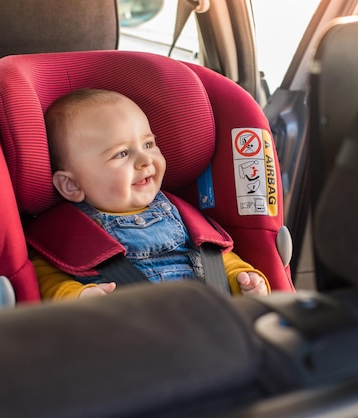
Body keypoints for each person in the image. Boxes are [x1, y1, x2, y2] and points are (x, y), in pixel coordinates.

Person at [33, 88, 270, 299]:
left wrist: (242, 278)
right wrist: (79, 295)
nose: (145, 160)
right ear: (72, 185)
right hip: (132, 336)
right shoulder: (67, 232)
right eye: (121, 153)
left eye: (148, 144)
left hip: (206, 325)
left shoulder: (182, 214)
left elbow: (216, 259)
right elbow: (47, 277)